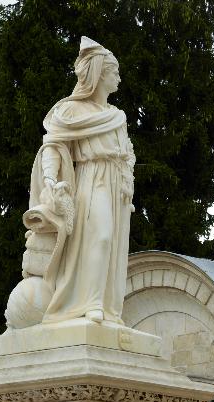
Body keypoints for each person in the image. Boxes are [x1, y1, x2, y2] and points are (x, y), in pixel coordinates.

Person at [28, 36, 135, 325]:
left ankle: (107, 305)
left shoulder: (117, 115)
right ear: (99, 75)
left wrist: (127, 186)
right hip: (92, 180)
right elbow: (54, 146)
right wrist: (50, 178)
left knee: (113, 245)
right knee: (99, 237)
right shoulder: (72, 112)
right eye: (114, 72)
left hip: (117, 187)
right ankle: (91, 303)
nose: (119, 79)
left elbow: (127, 155)